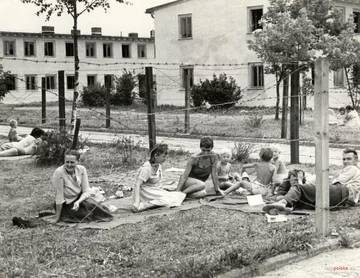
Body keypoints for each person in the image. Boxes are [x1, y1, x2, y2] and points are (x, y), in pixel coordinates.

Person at [263, 148, 360, 214]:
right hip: (343, 201)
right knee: (305, 198)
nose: (346, 161)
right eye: (344, 159)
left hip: (342, 193)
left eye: (349, 159)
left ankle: (283, 203)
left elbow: (335, 184)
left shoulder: (353, 168)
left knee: (299, 187)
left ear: (356, 160)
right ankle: (286, 208)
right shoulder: (354, 172)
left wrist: (313, 185)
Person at [50, 149, 113, 224]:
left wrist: (78, 201)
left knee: (97, 209)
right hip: (67, 204)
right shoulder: (59, 172)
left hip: (79, 199)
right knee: (87, 214)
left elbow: (86, 191)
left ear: (77, 161)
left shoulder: (81, 169)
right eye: (67, 162)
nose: (69, 165)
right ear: (64, 160)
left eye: (72, 162)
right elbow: (59, 197)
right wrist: (57, 218)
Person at [132, 144, 186, 213]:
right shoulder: (146, 169)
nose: (165, 158)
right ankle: (144, 205)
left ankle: (152, 203)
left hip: (152, 190)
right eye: (163, 156)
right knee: (167, 200)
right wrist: (136, 202)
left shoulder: (158, 166)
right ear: (156, 156)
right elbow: (137, 185)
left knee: (178, 196)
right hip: (144, 192)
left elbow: (157, 183)